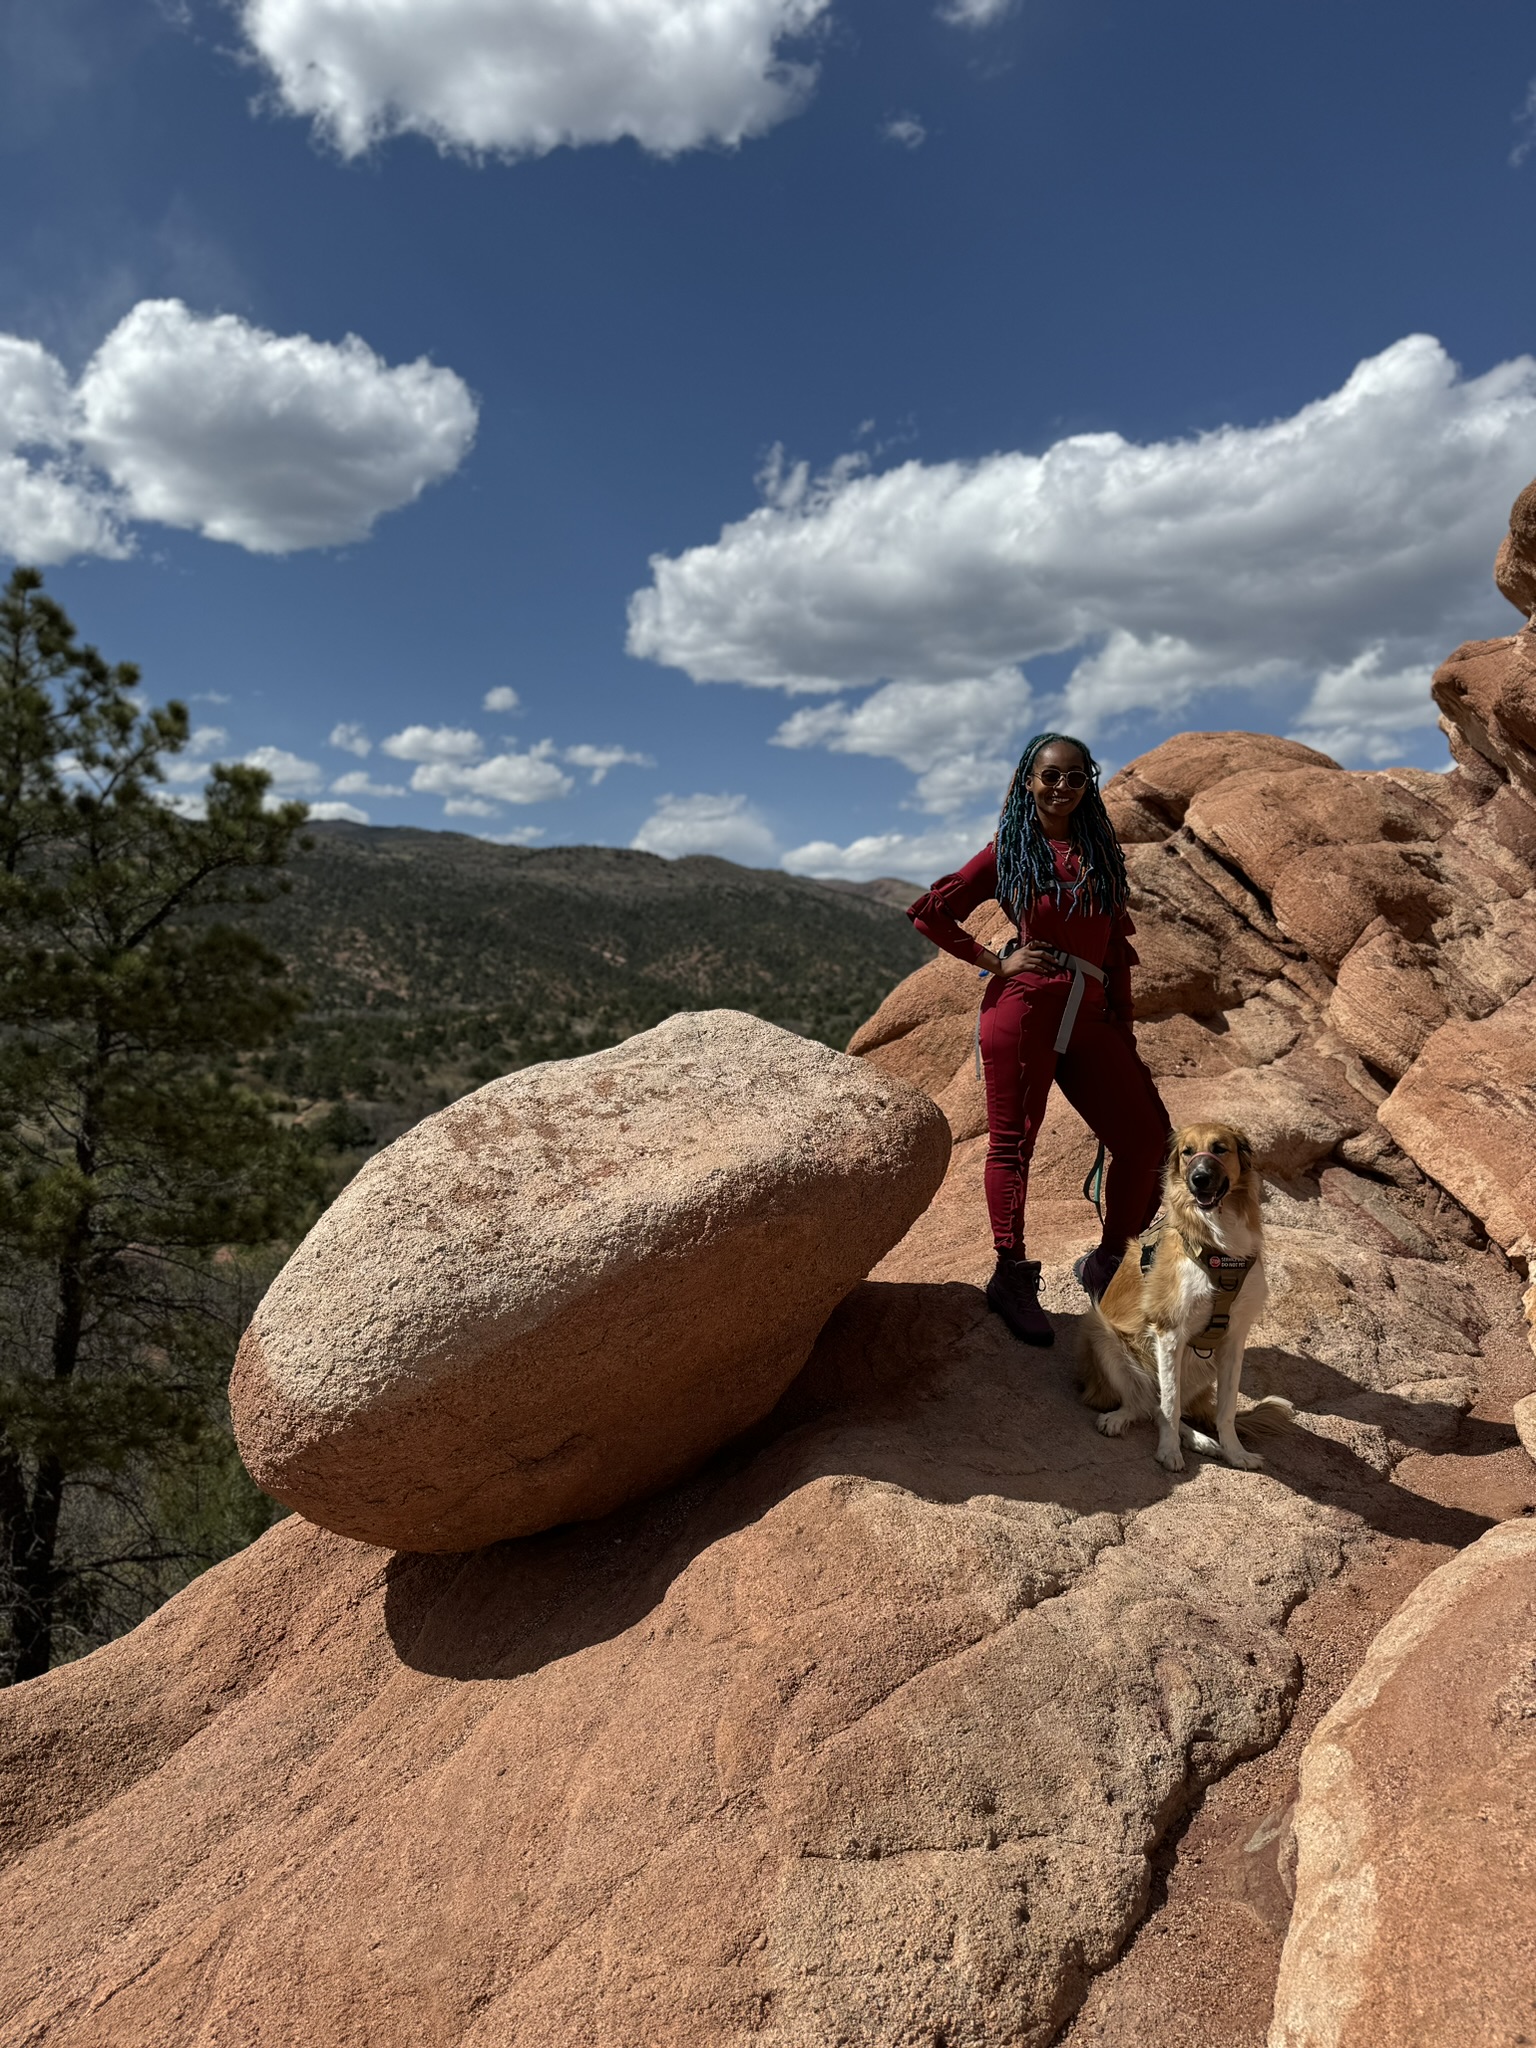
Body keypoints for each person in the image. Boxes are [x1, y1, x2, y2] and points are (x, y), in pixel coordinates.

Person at [905, 732, 1170, 1347]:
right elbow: (929, 912)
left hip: (1092, 1016)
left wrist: (1121, 1025)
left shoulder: (1101, 854)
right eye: (1050, 776)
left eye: (1075, 777)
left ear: (1088, 784)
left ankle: (1108, 1262)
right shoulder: (1010, 850)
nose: (1062, 787)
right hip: (1024, 1009)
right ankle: (1011, 1274)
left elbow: (1113, 949)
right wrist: (994, 963)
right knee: (1012, 1144)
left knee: (1146, 1142)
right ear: (1029, 780)